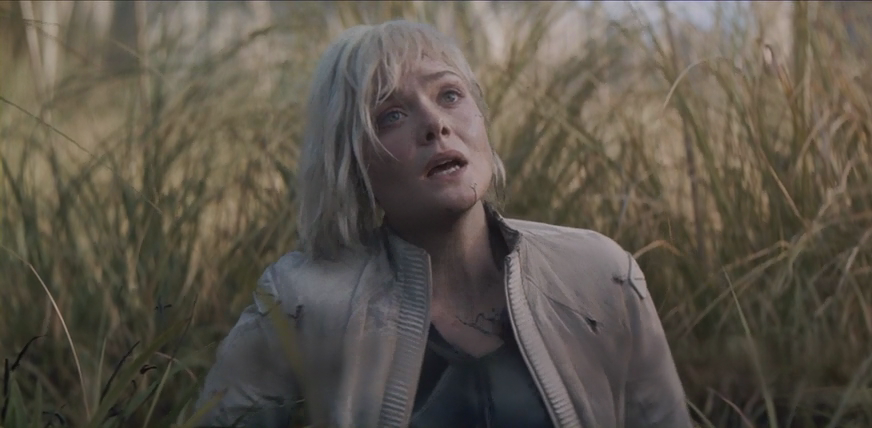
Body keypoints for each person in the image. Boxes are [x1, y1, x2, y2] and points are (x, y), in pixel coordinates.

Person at [193, 19, 694, 428]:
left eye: (449, 95)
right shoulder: (300, 302)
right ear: (352, 163)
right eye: (391, 115)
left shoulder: (600, 276)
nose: (435, 124)